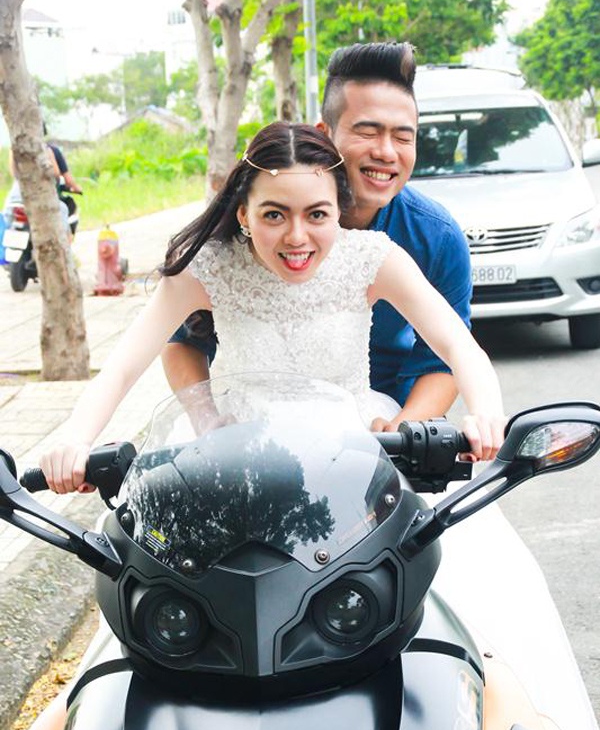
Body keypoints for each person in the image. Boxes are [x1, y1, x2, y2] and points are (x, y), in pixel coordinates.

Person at [40, 122, 504, 494]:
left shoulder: (373, 258)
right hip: (232, 458)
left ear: (339, 210)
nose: (297, 237)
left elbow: (458, 346)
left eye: (317, 214)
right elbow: (122, 368)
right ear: (245, 214)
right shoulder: (209, 268)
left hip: (353, 455)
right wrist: (74, 439)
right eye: (274, 215)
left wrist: (486, 414)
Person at [162, 41, 472, 423]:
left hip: (380, 423)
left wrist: (400, 431)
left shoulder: (436, 237)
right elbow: (184, 342)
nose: (386, 152)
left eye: (403, 137)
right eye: (368, 132)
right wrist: (208, 422)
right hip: (254, 426)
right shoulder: (252, 227)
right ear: (324, 134)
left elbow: (445, 359)